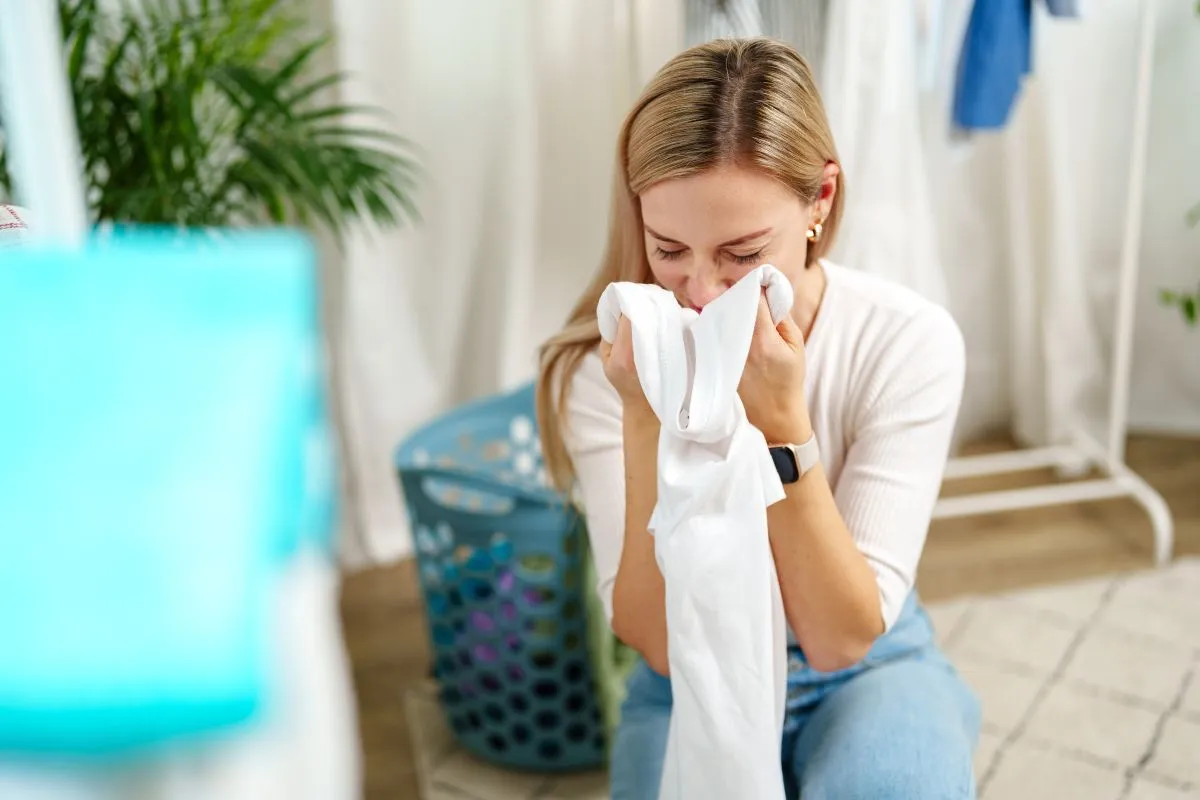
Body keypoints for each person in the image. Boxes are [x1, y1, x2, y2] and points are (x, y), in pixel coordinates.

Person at [535, 37, 980, 800]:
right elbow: (660, 645)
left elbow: (843, 637)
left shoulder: (906, 342)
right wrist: (644, 416)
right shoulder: (606, 368)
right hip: (689, 668)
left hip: (865, 666)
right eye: (667, 248)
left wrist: (783, 427)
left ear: (820, 202)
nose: (701, 292)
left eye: (741, 254)